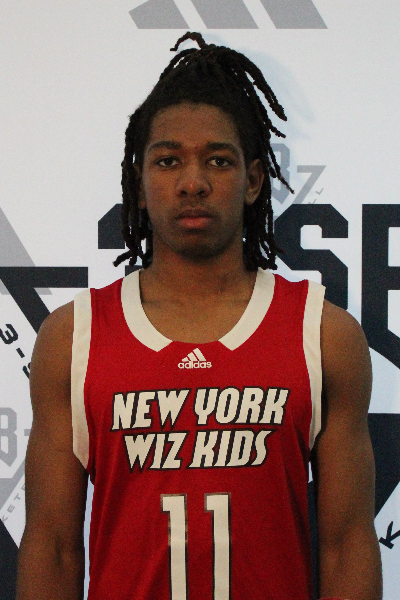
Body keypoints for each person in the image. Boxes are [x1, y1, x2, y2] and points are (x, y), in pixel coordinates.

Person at [17, 32, 382, 600]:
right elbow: (53, 544)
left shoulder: (323, 334)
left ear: (254, 180)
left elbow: (346, 544)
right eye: (168, 161)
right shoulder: (74, 337)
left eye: (218, 160)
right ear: (139, 183)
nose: (193, 182)